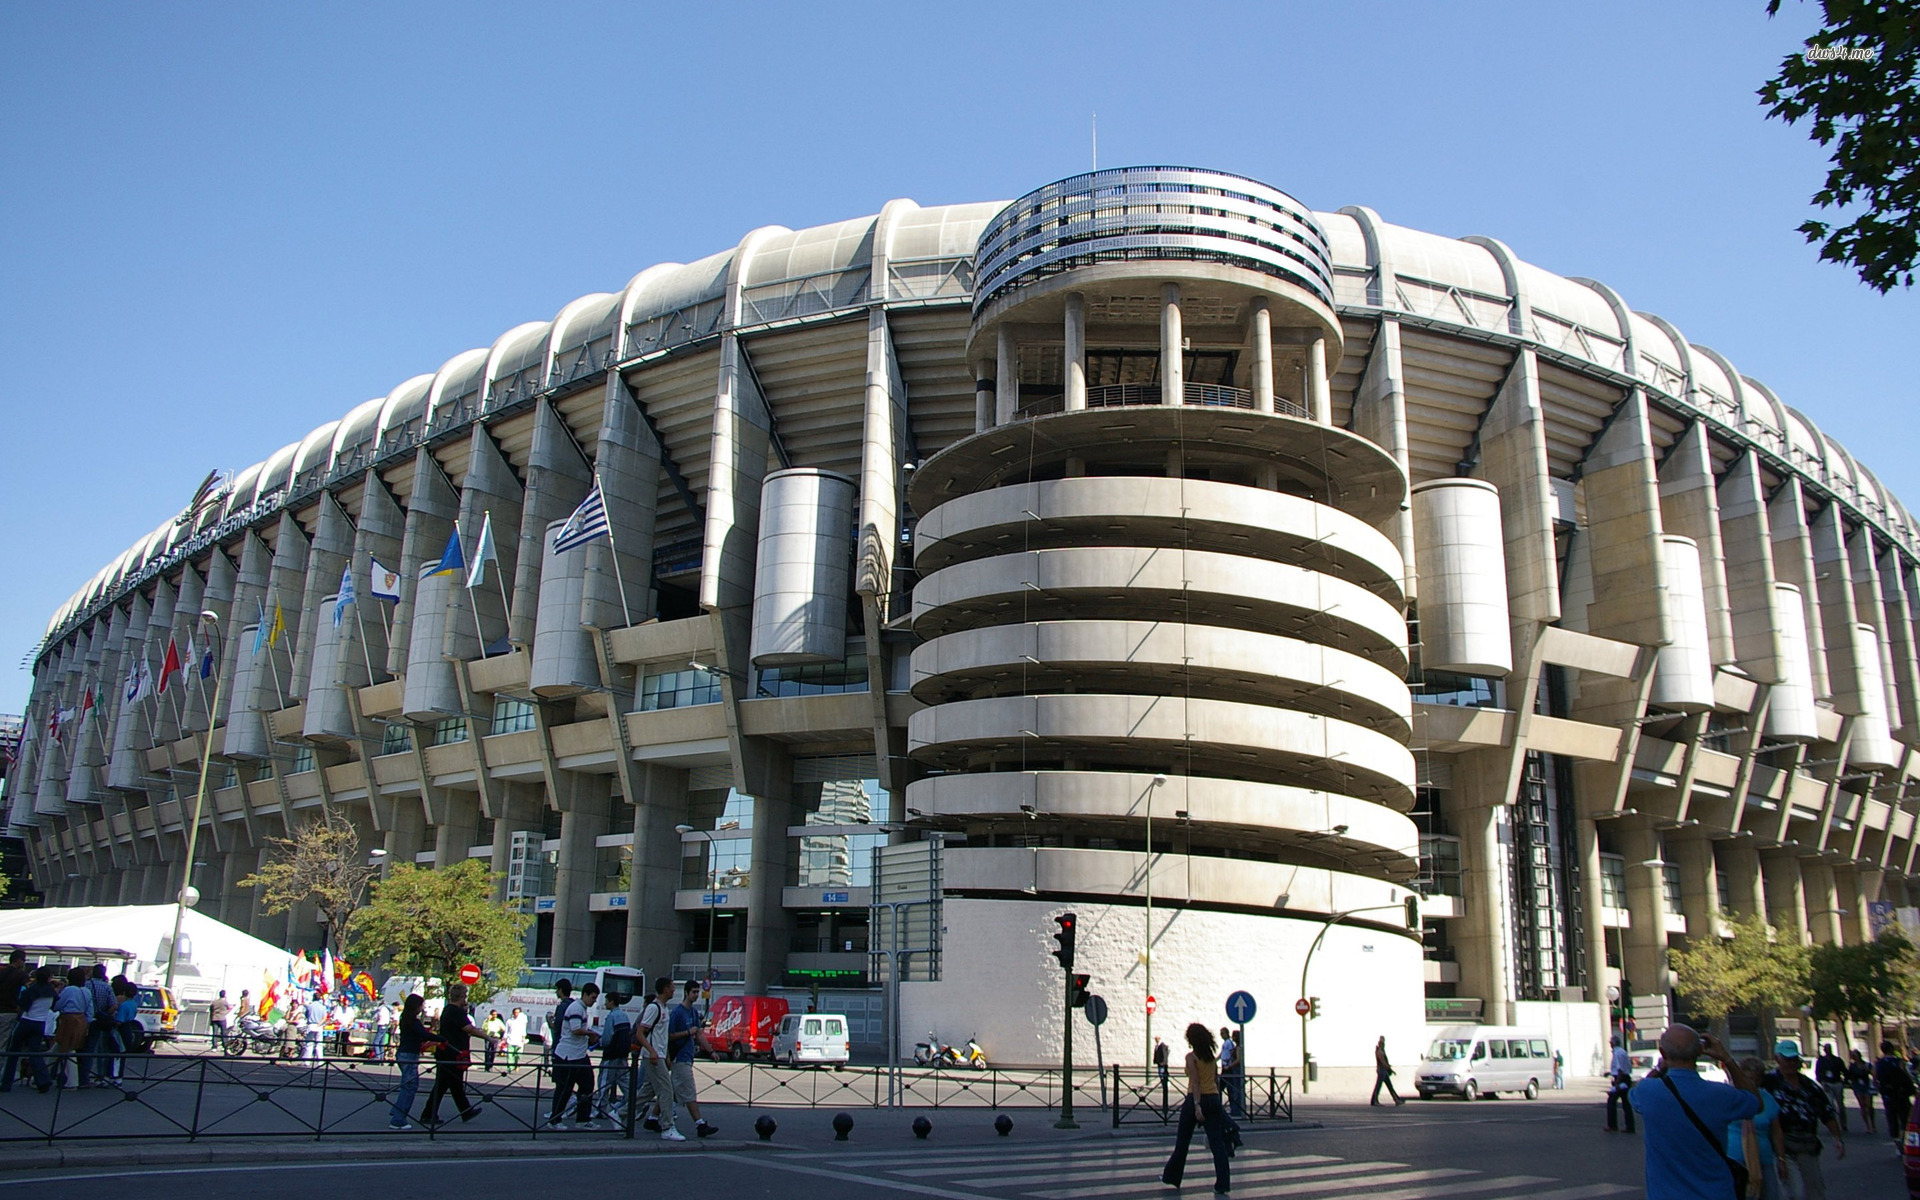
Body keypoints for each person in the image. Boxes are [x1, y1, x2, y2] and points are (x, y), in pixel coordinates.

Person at [1627, 1024, 1760, 1200]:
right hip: (1716, 1193)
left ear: (1663, 1053)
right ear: (1700, 1051)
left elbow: (1633, 1095)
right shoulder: (1720, 1094)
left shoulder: (1648, 1091)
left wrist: (1660, 1068)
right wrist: (1727, 1059)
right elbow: (1756, 1103)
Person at [1764, 1039, 1846, 1200]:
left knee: (1815, 1191)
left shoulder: (1810, 1086)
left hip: (1807, 1144)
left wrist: (1837, 1139)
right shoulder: (1768, 1083)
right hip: (1782, 1146)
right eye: (1787, 1059)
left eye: (1794, 1059)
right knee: (1795, 1193)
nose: (1791, 1063)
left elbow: (1827, 1112)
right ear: (1777, 1059)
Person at [1161, 1022, 1233, 1195]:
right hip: (1214, 1098)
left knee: (1182, 1142)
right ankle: (1223, 1184)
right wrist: (1217, 1104)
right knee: (1217, 1145)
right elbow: (1215, 1080)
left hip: (1196, 1099)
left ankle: (1172, 1177)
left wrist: (1197, 1106)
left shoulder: (1191, 1057)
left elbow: (1195, 1081)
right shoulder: (1210, 1058)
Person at [420, 982, 489, 1126]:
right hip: (454, 1053)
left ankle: (461, 1111)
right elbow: (469, 1029)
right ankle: (434, 1113)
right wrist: (488, 1038)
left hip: (447, 1051)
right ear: (462, 996)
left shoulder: (448, 1009)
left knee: (448, 1084)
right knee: (449, 1084)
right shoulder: (456, 1012)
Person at [1726, 1056, 1788, 1200]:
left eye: (1754, 1079)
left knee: (1770, 1195)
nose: (1750, 1083)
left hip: (1764, 1158)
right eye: (1747, 1079)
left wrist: (1781, 1158)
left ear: (1760, 1080)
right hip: (1735, 1158)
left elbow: (1776, 1131)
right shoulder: (1730, 1097)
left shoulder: (1767, 1098)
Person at [665, 979, 718, 1139]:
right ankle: (700, 1124)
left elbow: (699, 1034)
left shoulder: (694, 1012)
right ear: (686, 993)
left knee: (671, 1091)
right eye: (694, 992)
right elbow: (669, 1036)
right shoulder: (677, 1013)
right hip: (679, 1057)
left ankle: (653, 1118)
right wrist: (687, 1032)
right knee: (689, 1092)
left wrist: (710, 1051)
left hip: (687, 1056)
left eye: (698, 992)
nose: (696, 995)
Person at [545, 979, 600, 1128]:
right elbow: (575, 1029)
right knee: (565, 1089)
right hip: (569, 1055)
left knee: (587, 1085)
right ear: (585, 994)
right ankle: (555, 1120)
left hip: (578, 1054)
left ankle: (582, 1119)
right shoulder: (576, 1008)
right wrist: (590, 1034)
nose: (594, 1001)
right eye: (593, 997)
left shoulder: (579, 1008)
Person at [0, 964, 57, 1093]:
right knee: (35, 1052)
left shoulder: (30, 991)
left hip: (27, 1020)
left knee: (13, 1052)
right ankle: (43, 1080)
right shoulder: (51, 992)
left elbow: (22, 1007)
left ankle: (6, 1083)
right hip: (40, 1023)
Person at [633, 977, 677, 1136]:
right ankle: (667, 1126)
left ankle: (621, 1113)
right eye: (672, 986)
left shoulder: (664, 1008)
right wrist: (652, 1051)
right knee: (666, 1090)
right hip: (653, 1056)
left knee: (647, 1091)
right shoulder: (654, 1008)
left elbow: (662, 1036)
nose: (674, 989)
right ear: (665, 989)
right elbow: (640, 1032)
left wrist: (666, 1056)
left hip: (658, 1055)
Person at [387, 993, 429, 1130]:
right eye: (421, 1004)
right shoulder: (414, 1021)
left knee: (407, 1084)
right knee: (410, 1086)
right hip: (410, 1054)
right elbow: (423, 1034)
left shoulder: (405, 1018)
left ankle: (398, 1109)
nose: (423, 1007)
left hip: (404, 1053)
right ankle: (399, 1118)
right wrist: (440, 1038)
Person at [594, 987, 635, 1120]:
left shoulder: (612, 1016)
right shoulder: (624, 1016)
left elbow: (606, 1038)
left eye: (606, 1001)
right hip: (622, 1054)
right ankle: (634, 1103)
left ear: (611, 1002)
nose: (605, 1003)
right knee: (625, 1081)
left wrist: (599, 1042)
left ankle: (601, 1108)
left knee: (604, 1081)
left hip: (611, 1054)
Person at [52, 965, 93, 1089]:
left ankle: (70, 1081)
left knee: (65, 1049)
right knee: (67, 1048)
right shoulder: (86, 991)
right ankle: (68, 1080)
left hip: (68, 1020)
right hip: (81, 1020)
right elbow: (90, 1011)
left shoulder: (69, 990)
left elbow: (57, 1005)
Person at [1877, 1038, 1917, 1143]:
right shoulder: (1898, 1062)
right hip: (1900, 1094)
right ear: (1891, 1049)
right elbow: (1907, 1076)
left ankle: (1896, 1142)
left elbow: (1875, 1079)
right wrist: (1912, 1089)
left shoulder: (1878, 1063)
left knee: (1892, 1118)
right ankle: (1904, 1139)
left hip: (1887, 1094)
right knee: (1904, 1117)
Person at [83, 964, 115, 1085]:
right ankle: (87, 1077)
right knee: (92, 1048)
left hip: (85, 1019)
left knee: (80, 1047)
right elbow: (113, 1004)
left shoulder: (86, 985)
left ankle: (80, 1075)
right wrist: (105, 1014)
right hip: (99, 1021)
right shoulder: (107, 987)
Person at [1812, 1043, 1847, 1132]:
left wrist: (1844, 1082)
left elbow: (1844, 1071)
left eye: (1829, 1049)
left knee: (1841, 1105)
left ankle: (1843, 1124)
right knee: (1831, 1105)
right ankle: (1834, 1124)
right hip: (1827, 1084)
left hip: (1837, 1082)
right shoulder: (1821, 1061)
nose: (1827, 1051)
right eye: (1826, 1049)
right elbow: (1818, 1073)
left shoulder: (1837, 1060)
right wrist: (1822, 1082)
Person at [1606, 1035, 1636, 1134]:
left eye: (1610, 1042)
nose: (1610, 1044)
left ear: (1613, 1043)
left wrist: (1616, 1084)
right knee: (1626, 1104)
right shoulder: (1623, 1052)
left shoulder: (1617, 1053)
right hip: (1626, 1078)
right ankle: (1630, 1126)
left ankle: (1612, 1125)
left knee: (1611, 1101)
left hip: (1621, 1079)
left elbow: (1620, 1070)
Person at [1846, 1047, 1877, 1133]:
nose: (1855, 1057)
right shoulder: (1852, 1066)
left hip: (1866, 1085)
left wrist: (1874, 1080)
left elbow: (1873, 1073)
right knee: (1862, 1105)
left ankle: (1873, 1124)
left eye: (1856, 1055)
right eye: (1853, 1056)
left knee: (1869, 1105)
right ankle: (1867, 1125)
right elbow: (1849, 1076)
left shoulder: (1866, 1065)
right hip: (1857, 1086)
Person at [1370, 1034, 1406, 1106]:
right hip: (1382, 1071)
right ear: (1380, 1043)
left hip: (1383, 1071)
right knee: (1379, 1086)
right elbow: (1383, 1062)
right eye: (1382, 1043)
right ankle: (1374, 1101)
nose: (1384, 1044)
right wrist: (1390, 1069)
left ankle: (1396, 1100)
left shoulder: (1381, 1051)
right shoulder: (1380, 1052)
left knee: (1389, 1086)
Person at [1218, 1027, 1244, 1118]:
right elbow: (1222, 1054)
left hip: (1229, 1068)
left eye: (1222, 1033)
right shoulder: (1229, 1044)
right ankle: (1233, 1109)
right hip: (1227, 1067)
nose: (1221, 1035)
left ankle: (1232, 1109)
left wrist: (1228, 1065)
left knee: (1230, 1088)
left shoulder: (1230, 1044)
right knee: (1230, 1088)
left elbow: (1237, 1059)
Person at [302, 993, 328, 1061]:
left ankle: (307, 1061)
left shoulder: (310, 1006)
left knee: (309, 1044)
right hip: (319, 1025)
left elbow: (306, 1015)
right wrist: (319, 1024)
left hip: (311, 1024)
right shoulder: (323, 1007)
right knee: (319, 1044)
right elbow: (324, 1017)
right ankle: (320, 1060)